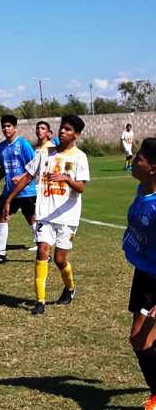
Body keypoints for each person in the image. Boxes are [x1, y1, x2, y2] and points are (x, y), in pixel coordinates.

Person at [3, 115, 90, 315]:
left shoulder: (79, 157)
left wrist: (66, 178)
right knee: (42, 252)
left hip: (67, 217)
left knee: (60, 259)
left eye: (68, 129)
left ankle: (70, 288)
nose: (62, 131)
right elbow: (27, 176)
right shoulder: (45, 154)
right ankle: (40, 301)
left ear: (76, 135)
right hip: (44, 215)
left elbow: (81, 187)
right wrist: (9, 199)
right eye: (62, 128)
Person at [123, 138, 156, 409]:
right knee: (139, 339)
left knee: (140, 338)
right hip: (144, 273)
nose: (134, 161)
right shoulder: (141, 188)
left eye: (139, 159)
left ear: (153, 168)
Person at [0, 115, 37, 265]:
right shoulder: (1, 147)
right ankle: (0, 254)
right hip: (9, 191)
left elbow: (34, 167)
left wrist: (21, 177)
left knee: (31, 219)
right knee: (1, 217)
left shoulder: (24, 145)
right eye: (4, 126)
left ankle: (43, 253)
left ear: (15, 128)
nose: (6, 129)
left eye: (9, 126)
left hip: (26, 191)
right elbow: (3, 167)